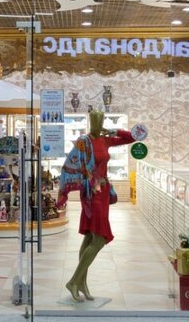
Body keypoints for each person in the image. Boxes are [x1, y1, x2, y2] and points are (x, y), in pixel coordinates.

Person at [57, 109, 136, 302]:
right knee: (99, 239)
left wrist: (114, 130)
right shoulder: (83, 142)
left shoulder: (105, 140)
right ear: (90, 121)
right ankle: (74, 281)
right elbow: (68, 166)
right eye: (95, 120)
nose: (98, 123)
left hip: (104, 190)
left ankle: (81, 283)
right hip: (91, 193)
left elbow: (132, 137)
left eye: (101, 120)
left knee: (90, 238)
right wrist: (65, 191)